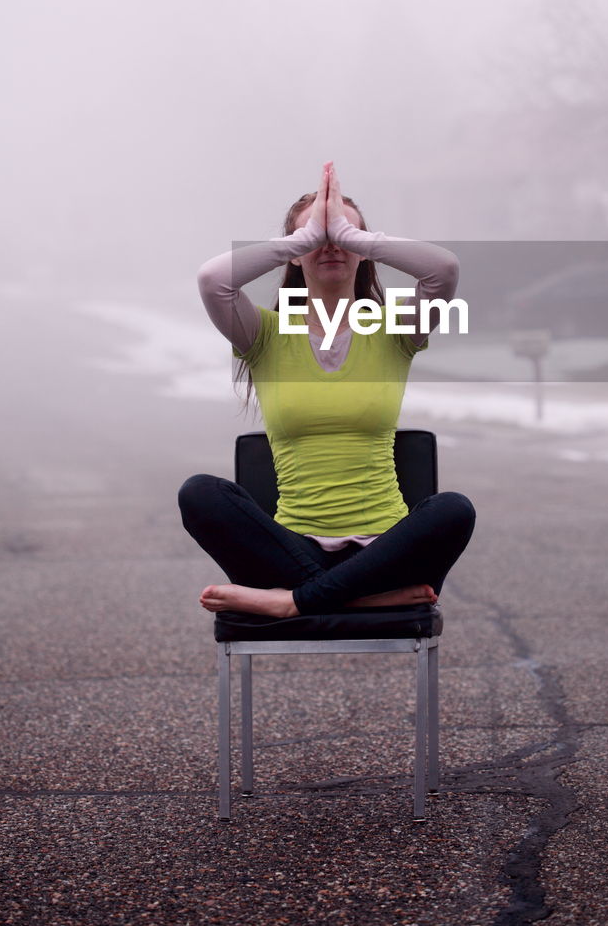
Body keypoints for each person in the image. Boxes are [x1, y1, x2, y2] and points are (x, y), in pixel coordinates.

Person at [178, 161, 475, 619]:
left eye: (344, 237)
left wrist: (349, 233)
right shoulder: (263, 334)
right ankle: (361, 597)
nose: (331, 245)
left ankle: (295, 603)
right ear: (293, 253)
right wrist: (304, 237)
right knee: (199, 493)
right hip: (294, 551)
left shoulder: (396, 328)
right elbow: (212, 281)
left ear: (363, 250)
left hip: (385, 550)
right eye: (317, 238)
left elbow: (443, 271)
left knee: (453, 510)